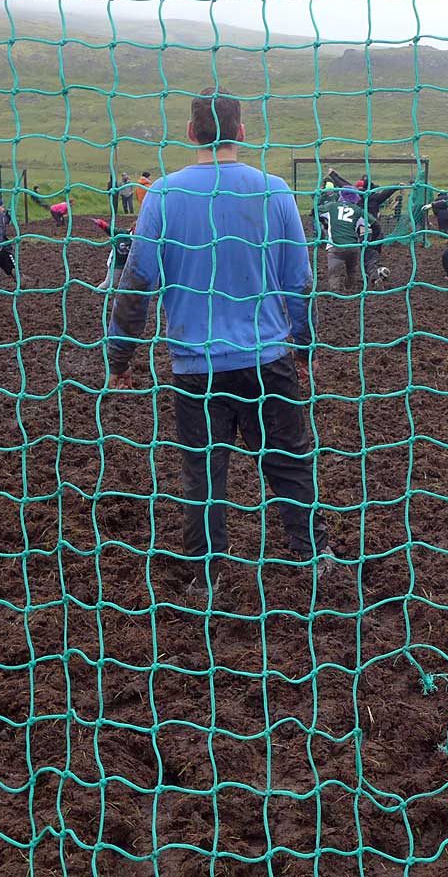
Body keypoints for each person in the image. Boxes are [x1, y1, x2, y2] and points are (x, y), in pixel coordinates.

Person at [106, 86, 333, 598]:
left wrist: (120, 356)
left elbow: (137, 282)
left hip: (194, 368)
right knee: (289, 458)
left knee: (203, 472)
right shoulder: (274, 191)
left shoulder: (161, 195)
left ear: (191, 134)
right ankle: (315, 556)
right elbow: (298, 282)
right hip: (267, 358)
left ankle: (204, 578)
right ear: (241, 133)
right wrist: (305, 349)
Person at [317, 186, 369, 290]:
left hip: (335, 246)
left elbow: (316, 210)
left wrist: (325, 223)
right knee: (351, 271)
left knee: (334, 273)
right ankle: (350, 290)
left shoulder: (332, 206)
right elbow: (373, 224)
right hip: (353, 246)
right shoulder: (358, 210)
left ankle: (335, 295)